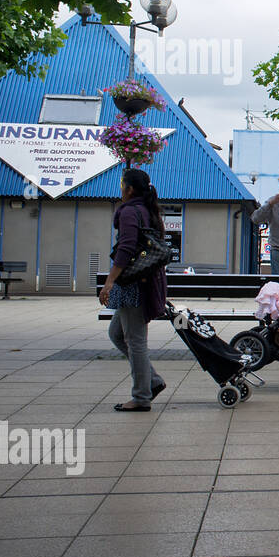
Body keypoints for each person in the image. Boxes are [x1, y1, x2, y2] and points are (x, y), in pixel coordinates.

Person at [98, 168, 169, 413]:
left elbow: (126, 247)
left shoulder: (130, 211)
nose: (120, 189)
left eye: (121, 185)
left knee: (135, 340)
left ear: (128, 189)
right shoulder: (149, 210)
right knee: (118, 334)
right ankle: (152, 381)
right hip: (147, 281)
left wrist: (110, 281)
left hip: (135, 284)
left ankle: (141, 397)